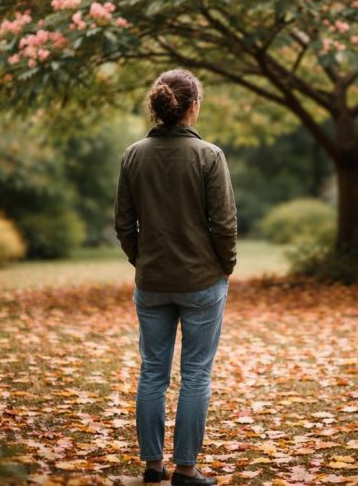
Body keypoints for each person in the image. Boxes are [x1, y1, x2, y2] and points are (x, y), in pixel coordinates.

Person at [114, 68, 237, 486]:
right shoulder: (209, 156)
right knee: (196, 374)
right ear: (193, 108)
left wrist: (142, 260)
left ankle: (152, 466)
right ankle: (186, 469)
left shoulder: (132, 155)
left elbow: (123, 225)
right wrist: (226, 265)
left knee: (152, 372)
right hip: (202, 281)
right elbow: (224, 225)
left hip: (151, 282)